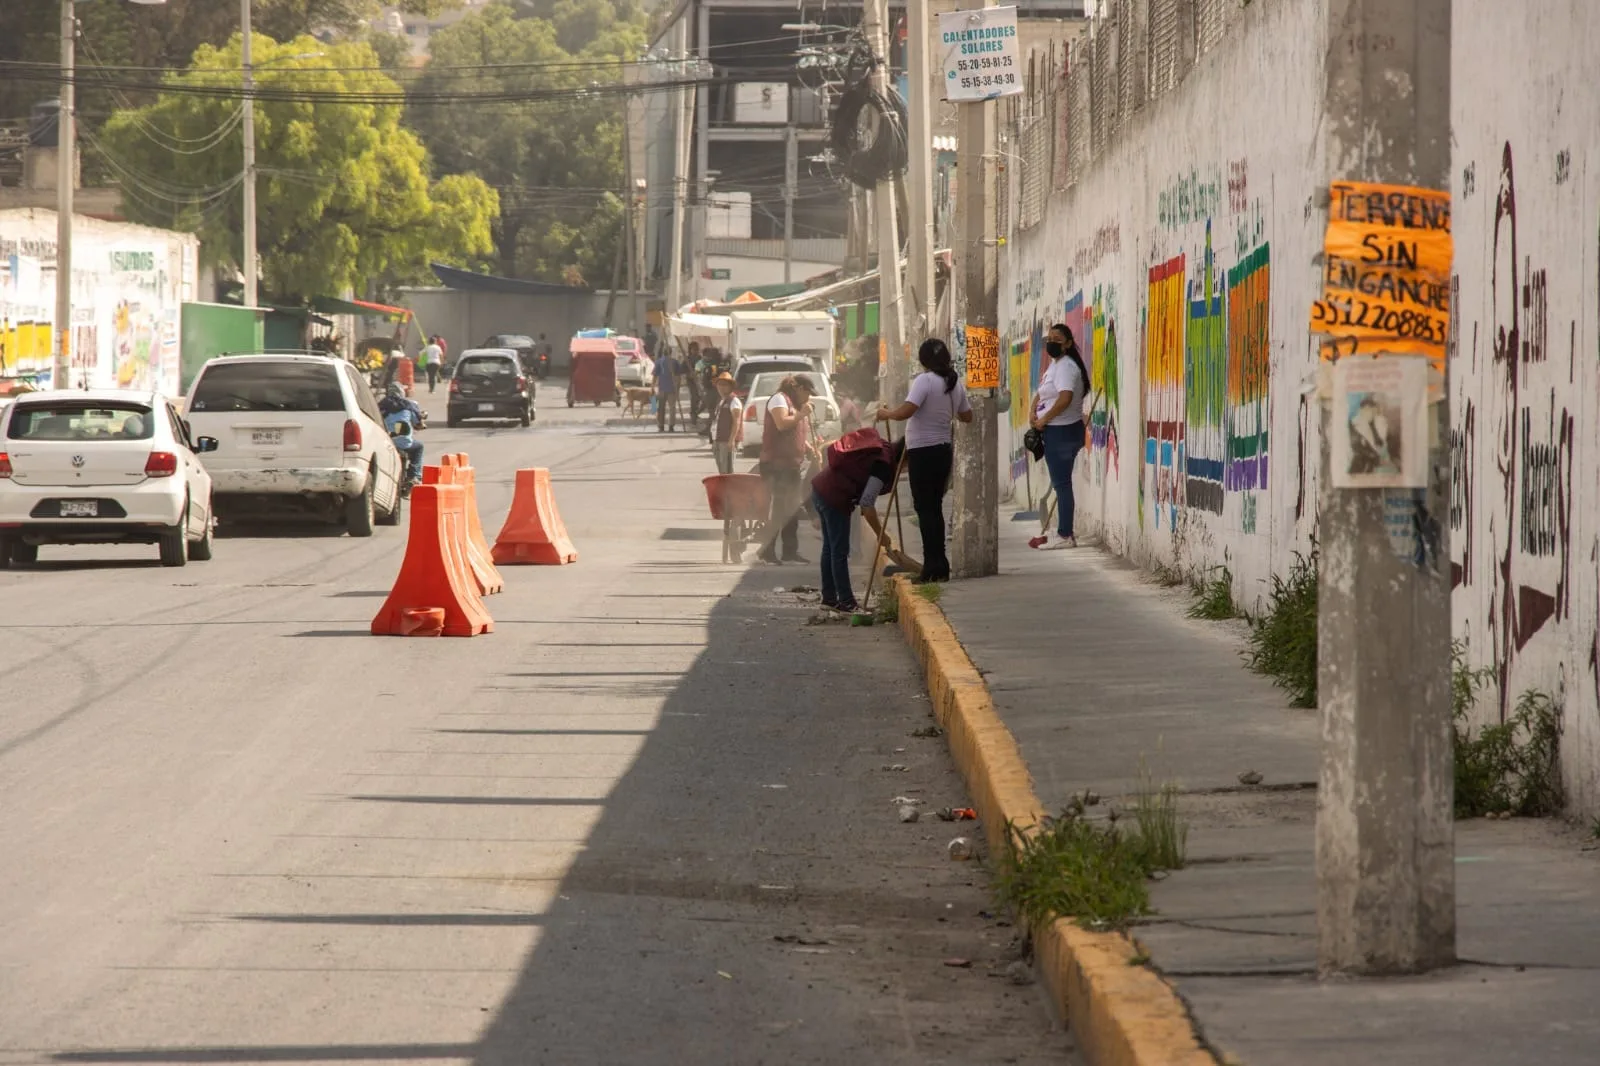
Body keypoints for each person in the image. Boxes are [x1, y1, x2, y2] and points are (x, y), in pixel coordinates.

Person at [875, 338, 973, 583]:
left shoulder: (925, 381)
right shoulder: (952, 382)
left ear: (923, 359)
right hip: (942, 451)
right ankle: (940, 565)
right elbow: (967, 416)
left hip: (923, 452)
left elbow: (906, 412)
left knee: (925, 509)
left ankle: (931, 567)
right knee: (934, 508)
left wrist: (886, 413)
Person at [810, 428, 898, 613]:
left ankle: (830, 598)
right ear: (905, 462)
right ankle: (847, 602)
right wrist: (880, 534)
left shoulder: (883, 447)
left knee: (830, 548)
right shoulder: (884, 465)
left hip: (820, 489)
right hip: (834, 496)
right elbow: (867, 504)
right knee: (839, 551)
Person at [1029, 323, 1089, 549]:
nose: (1051, 343)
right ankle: (1064, 531)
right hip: (1056, 430)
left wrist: (1044, 419)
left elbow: (1064, 398)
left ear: (1068, 344)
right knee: (1060, 483)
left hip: (1062, 431)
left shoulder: (1066, 367)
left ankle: (1065, 534)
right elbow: (1043, 392)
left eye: (1057, 339)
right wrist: (1033, 410)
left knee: (1062, 485)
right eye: (1049, 338)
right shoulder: (1055, 366)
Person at [758, 374, 818, 564]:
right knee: (779, 509)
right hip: (776, 464)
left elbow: (795, 432)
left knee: (792, 508)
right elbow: (782, 424)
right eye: (807, 393)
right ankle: (767, 551)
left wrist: (808, 448)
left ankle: (790, 551)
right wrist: (802, 414)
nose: (808, 398)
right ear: (798, 388)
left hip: (791, 464)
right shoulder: (779, 399)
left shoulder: (795, 405)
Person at [378, 383, 425, 485]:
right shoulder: (409, 405)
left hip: (385, 443)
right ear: (401, 392)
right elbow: (418, 423)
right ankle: (414, 476)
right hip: (404, 442)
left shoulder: (380, 405)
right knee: (419, 447)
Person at [710, 371, 743, 474]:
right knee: (722, 470)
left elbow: (736, 421)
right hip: (718, 440)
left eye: (724, 385)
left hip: (726, 441)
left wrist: (732, 440)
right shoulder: (722, 401)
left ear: (730, 387)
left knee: (727, 471)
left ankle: (729, 489)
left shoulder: (734, 401)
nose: (721, 387)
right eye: (719, 384)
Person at [654, 346, 682, 432]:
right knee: (672, 408)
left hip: (662, 387)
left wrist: (652, 386)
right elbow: (678, 377)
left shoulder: (659, 361)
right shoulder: (675, 362)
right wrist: (678, 387)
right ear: (671, 352)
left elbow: (655, 375)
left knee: (660, 408)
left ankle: (661, 425)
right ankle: (671, 425)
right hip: (672, 388)